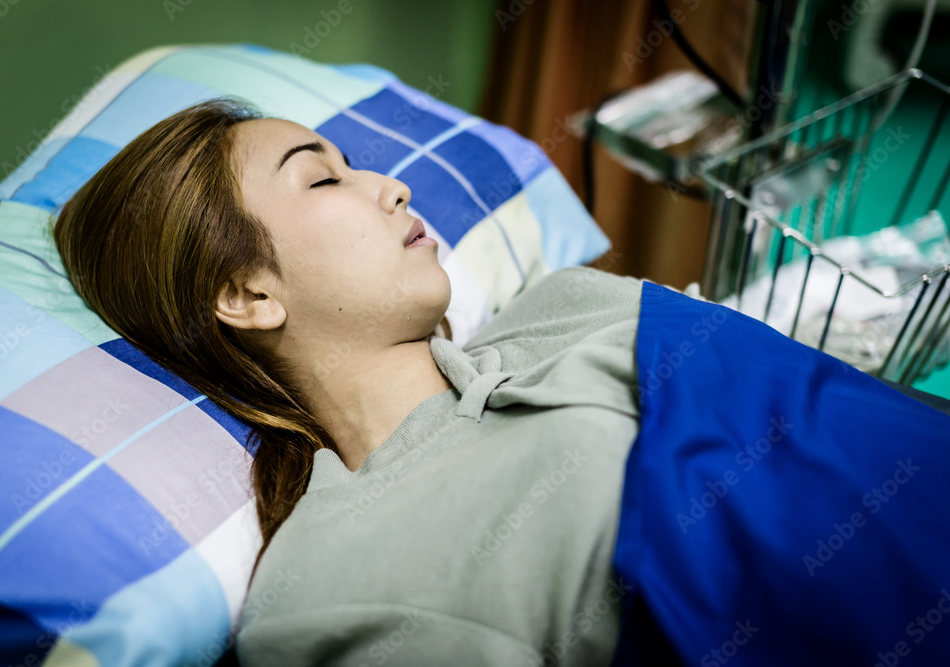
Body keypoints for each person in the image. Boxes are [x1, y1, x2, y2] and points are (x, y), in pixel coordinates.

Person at [52, 98, 643, 666]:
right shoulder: (336, 586)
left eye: (351, 167)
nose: (395, 187)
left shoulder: (569, 303)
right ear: (249, 294)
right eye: (323, 180)